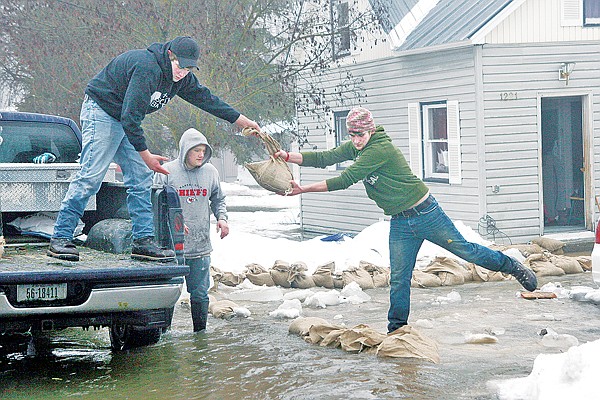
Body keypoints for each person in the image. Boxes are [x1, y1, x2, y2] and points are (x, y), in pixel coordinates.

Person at [274, 106, 538, 334]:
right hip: (400, 222)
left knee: (467, 251)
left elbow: (345, 179)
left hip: (427, 214)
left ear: (371, 131)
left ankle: (512, 266)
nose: (355, 140)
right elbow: (325, 158)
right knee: (399, 277)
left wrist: (303, 189)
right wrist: (288, 157)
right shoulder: (359, 147)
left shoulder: (379, 149)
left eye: (360, 135)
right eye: (352, 135)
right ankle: (397, 330)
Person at [47, 36, 258, 262]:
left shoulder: (181, 79)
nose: (183, 73)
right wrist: (145, 154)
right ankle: (60, 237)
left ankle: (143, 241)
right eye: (180, 66)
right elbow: (130, 118)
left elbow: (207, 99)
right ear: (170, 56)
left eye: (188, 69)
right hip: (102, 111)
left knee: (141, 178)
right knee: (91, 176)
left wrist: (240, 120)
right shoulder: (146, 67)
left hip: (125, 118)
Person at [154, 128, 228, 332]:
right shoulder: (166, 171)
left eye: (204, 150)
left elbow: (218, 199)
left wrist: (222, 219)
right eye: (196, 150)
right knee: (169, 294)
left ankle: (200, 334)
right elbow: (156, 204)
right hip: (172, 248)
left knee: (200, 294)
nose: (201, 154)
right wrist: (174, 220)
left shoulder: (210, 172)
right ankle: (164, 334)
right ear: (185, 150)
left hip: (200, 246)